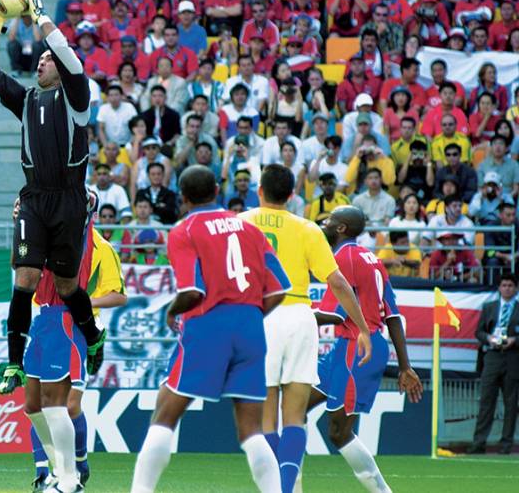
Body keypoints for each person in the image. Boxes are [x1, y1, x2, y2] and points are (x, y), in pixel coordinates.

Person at [0, 0, 106, 410]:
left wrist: (38, 15)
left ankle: (91, 335)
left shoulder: (78, 99)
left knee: (68, 285)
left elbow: (69, 56)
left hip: (69, 200)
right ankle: (14, 363)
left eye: (48, 59)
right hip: (34, 199)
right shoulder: (28, 99)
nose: (42, 63)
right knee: (26, 280)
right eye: (40, 60)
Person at [131, 165, 290, 493]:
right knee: (252, 430)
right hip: (249, 325)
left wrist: (171, 312)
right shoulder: (250, 229)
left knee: (166, 411)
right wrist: (248, 317)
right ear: (217, 192)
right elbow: (278, 289)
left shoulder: (184, 230)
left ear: (184, 197)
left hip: (208, 322)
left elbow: (192, 292)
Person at [240, 165, 371, 493]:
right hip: (299, 315)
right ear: (292, 195)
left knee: (266, 415)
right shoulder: (308, 228)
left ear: (259, 190)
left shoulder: (240, 224)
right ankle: (286, 488)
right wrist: (364, 327)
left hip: (260, 315)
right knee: (295, 416)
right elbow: (338, 282)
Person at [312, 205, 423, 492]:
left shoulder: (343, 257)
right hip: (350, 347)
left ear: (340, 228)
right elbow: (393, 315)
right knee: (292, 406)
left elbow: (336, 314)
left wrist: (284, 312)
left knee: (338, 432)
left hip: (357, 349)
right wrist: (404, 365)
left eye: (329, 220)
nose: (323, 224)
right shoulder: (372, 258)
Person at [24, 195, 127, 491]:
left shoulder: (101, 248)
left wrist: (80, 302)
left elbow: (119, 295)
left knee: (67, 406)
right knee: (38, 404)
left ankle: (76, 467)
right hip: (46, 321)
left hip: (81, 328)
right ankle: (46, 471)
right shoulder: (46, 240)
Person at [468, 273, 519, 454]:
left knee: (511, 403)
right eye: (504, 285)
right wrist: (488, 338)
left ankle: (506, 444)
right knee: (486, 401)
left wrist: (515, 340)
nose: (507, 288)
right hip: (492, 356)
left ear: (516, 288)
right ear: (499, 287)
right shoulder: (490, 307)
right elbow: (479, 332)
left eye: (510, 285)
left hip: (513, 357)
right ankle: (478, 443)